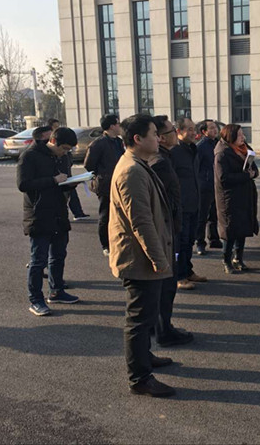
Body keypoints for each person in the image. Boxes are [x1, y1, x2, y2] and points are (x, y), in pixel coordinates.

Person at [108, 114, 176, 398]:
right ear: (137, 139)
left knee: (146, 317)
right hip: (139, 260)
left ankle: (144, 358)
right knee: (138, 320)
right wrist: (159, 260)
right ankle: (139, 378)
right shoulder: (131, 171)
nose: (159, 139)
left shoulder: (138, 164)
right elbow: (141, 222)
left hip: (145, 257)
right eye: (153, 134)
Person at [17, 127, 81, 316]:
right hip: (38, 214)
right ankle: (36, 300)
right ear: (53, 141)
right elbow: (23, 184)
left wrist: (71, 182)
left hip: (59, 212)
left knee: (58, 256)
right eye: (64, 148)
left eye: (69, 150)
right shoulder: (30, 156)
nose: (66, 153)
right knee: (38, 261)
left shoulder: (62, 157)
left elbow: (61, 183)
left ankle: (56, 291)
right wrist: (53, 180)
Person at [148, 115, 194, 347]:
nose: (176, 134)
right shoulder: (159, 162)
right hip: (165, 231)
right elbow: (165, 201)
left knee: (163, 284)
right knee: (165, 285)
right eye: (172, 131)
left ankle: (159, 326)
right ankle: (163, 330)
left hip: (167, 229)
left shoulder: (165, 157)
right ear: (162, 138)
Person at [214, 123, 259, 274]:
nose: (243, 137)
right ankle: (226, 260)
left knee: (242, 228)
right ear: (230, 136)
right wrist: (246, 175)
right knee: (230, 231)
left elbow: (255, 169)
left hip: (245, 195)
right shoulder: (222, 153)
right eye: (239, 135)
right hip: (229, 198)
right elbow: (223, 178)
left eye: (242, 134)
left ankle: (238, 258)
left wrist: (252, 173)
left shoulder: (245, 149)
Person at [170, 117, 207, 290]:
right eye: (189, 129)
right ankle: (179, 276)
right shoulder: (174, 152)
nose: (194, 133)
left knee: (190, 240)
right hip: (181, 205)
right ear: (179, 131)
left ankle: (188, 270)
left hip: (194, 202)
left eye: (194, 129)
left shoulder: (193, 149)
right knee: (181, 242)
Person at [84, 114, 125, 257]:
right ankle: (106, 245)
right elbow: (89, 165)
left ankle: (117, 241)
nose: (120, 126)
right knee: (105, 215)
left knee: (120, 215)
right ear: (112, 126)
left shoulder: (119, 142)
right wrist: (102, 174)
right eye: (118, 123)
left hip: (119, 183)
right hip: (105, 185)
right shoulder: (98, 144)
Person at [194, 120, 222, 255]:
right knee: (202, 215)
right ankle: (200, 242)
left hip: (216, 184)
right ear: (204, 132)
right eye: (211, 128)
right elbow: (196, 167)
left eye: (215, 127)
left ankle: (214, 239)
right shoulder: (200, 146)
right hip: (205, 185)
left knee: (214, 214)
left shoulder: (217, 143)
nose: (215, 130)